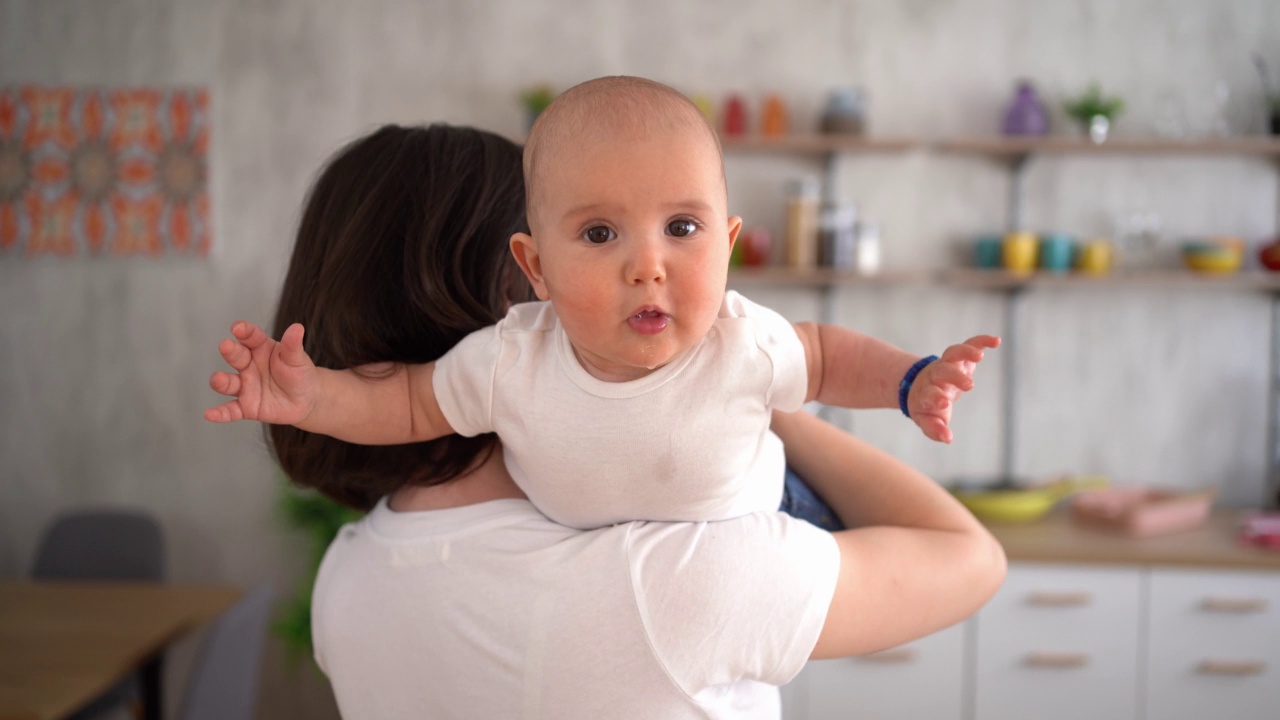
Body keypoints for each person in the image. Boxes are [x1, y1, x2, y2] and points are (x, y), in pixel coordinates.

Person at [210, 121, 1005, 718]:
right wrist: (736, 387)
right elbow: (968, 558)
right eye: (594, 235)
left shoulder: (346, 581)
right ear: (526, 286)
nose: (641, 270)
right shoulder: (673, 576)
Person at [206, 76, 999, 532]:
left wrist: (910, 381)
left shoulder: (740, 339)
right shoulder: (512, 356)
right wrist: (316, 398)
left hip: (770, 512)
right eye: (598, 234)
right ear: (534, 266)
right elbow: (410, 401)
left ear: (726, 243)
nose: (647, 266)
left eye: (682, 228)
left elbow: (827, 357)